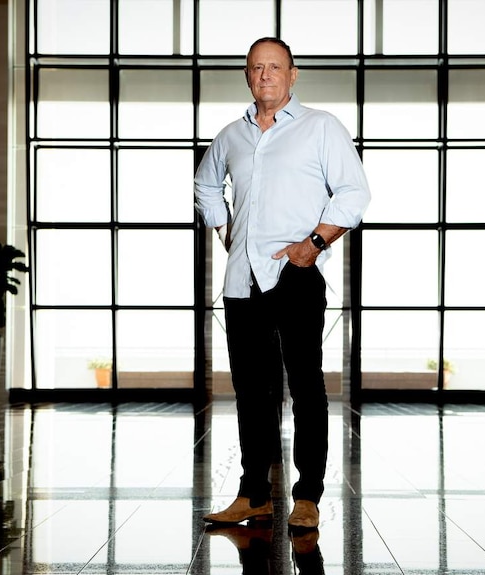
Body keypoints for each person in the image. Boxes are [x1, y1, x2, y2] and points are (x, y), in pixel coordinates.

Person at [194, 37, 371, 530]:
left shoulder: (321, 128)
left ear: (293, 75)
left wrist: (313, 243)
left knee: (307, 387)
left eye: (274, 67)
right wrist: (225, 227)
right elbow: (206, 183)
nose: (265, 75)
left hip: (295, 275)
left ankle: (308, 496)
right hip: (241, 280)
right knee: (251, 392)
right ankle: (254, 495)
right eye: (256, 68)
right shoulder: (231, 136)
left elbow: (355, 192)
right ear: (247, 77)